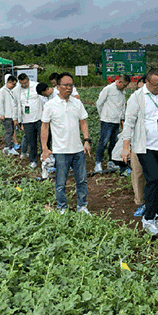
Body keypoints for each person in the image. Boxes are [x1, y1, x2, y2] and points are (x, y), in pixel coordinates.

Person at [122, 68, 158, 235]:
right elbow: (129, 122)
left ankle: (155, 217)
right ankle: (147, 219)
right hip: (145, 147)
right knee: (153, 179)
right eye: (155, 84)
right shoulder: (137, 97)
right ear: (146, 82)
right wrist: (125, 147)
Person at [41, 73, 92, 214]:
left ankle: (82, 206)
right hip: (60, 150)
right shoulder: (50, 105)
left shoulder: (77, 103)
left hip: (78, 149)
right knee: (60, 182)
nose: (69, 88)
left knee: (81, 181)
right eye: (66, 85)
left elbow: (83, 122)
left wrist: (86, 140)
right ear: (58, 87)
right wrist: (45, 148)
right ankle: (62, 207)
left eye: (71, 85)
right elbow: (44, 127)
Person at [95, 74, 129, 173]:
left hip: (116, 121)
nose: (125, 87)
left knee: (113, 142)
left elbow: (122, 106)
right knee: (104, 141)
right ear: (119, 82)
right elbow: (99, 103)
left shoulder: (122, 92)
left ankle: (111, 161)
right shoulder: (108, 89)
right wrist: (103, 115)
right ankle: (98, 162)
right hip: (107, 120)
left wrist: (122, 119)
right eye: (124, 85)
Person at [126, 75, 147, 216]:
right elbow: (128, 122)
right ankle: (140, 202)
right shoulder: (134, 98)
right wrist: (126, 146)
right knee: (138, 174)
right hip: (137, 144)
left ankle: (157, 203)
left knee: (156, 176)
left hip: (155, 145)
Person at [16, 73, 44, 168]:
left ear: (28, 79)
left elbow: (43, 101)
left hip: (39, 118)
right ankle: (33, 160)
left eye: (25, 83)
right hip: (26, 120)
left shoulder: (36, 86)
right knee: (31, 142)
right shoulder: (18, 89)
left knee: (43, 140)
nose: (24, 85)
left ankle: (44, 159)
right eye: (22, 84)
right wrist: (19, 121)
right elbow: (17, 105)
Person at [0, 75, 19, 156]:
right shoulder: (2, 91)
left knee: (12, 131)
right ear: (8, 82)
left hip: (11, 115)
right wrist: (2, 114)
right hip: (6, 116)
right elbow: (0, 103)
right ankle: (8, 147)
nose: (13, 86)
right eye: (13, 84)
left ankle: (9, 147)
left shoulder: (10, 91)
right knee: (9, 132)